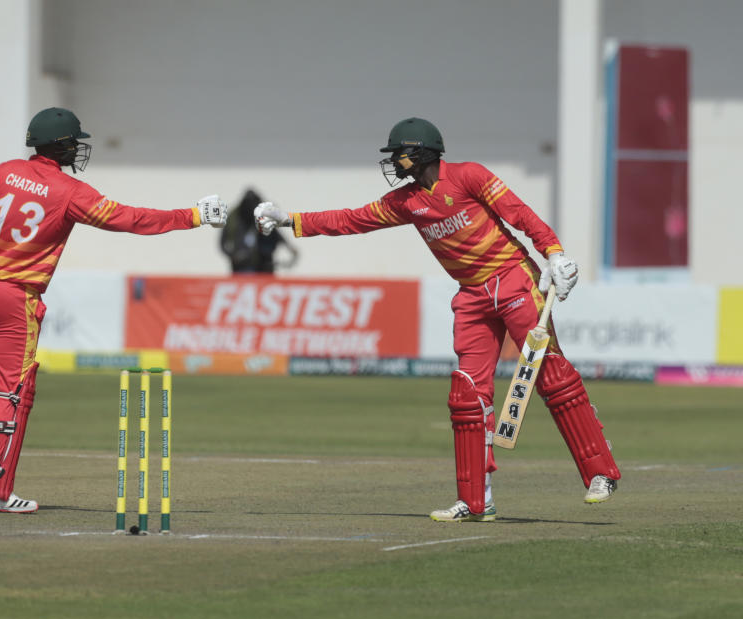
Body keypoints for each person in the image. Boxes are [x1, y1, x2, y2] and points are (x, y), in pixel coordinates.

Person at [254, 117, 620, 522]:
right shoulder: (406, 202)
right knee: (467, 395)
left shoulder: (469, 176)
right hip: (471, 297)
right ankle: (475, 501)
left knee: (550, 372)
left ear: (422, 152)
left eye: (400, 154)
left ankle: (600, 473)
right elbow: (349, 220)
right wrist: (290, 220)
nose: (394, 161)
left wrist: (553, 252)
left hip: (514, 280)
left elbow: (518, 213)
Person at [0, 107, 227, 513]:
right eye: (75, 142)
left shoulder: (1, 174)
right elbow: (130, 219)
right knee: (11, 389)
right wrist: (194, 216)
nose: (78, 149)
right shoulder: (69, 192)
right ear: (61, 146)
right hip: (15, 298)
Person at [220, 188, 298, 273]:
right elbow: (222, 242)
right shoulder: (233, 219)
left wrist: (289, 247)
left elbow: (275, 233)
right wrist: (233, 256)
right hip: (241, 267)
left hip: (264, 265)